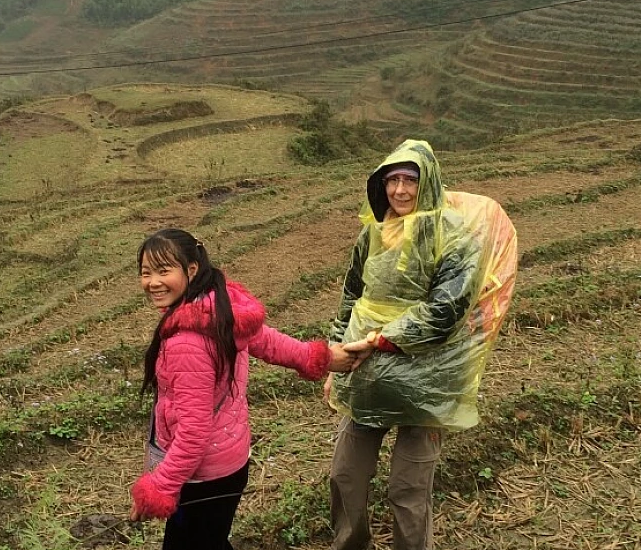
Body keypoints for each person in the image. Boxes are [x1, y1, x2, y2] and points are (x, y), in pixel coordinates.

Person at [326, 139, 518, 550]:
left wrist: (380, 339)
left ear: (427, 183)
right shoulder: (373, 234)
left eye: (409, 180)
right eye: (391, 180)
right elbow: (351, 296)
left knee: (408, 489)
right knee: (345, 475)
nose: (399, 191)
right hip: (366, 374)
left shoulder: (455, 238)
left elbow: (445, 310)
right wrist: (335, 358)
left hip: (427, 379)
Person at [128, 228, 361, 549]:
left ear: (191, 270)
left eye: (163, 271)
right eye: (145, 273)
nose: (153, 282)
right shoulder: (217, 309)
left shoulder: (188, 341)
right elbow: (268, 341)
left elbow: (194, 433)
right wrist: (318, 357)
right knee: (211, 540)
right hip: (229, 464)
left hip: (204, 476)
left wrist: (158, 487)